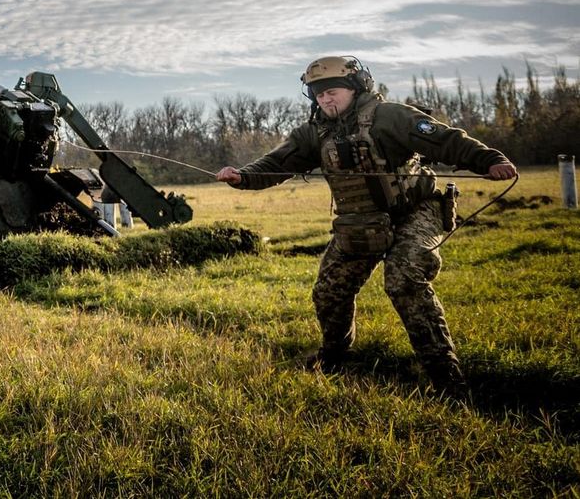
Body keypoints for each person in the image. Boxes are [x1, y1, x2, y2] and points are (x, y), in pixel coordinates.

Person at [215, 56, 517, 392]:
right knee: (329, 292)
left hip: (416, 211)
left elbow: (446, 140)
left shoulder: (390, 116)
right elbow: (277, 163)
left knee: (404, 279)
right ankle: (334, 358)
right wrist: (243, 176)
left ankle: (447, 380)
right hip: (361, 222)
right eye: (318, 95)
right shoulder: (314, 133)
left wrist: (491, 159)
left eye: (332, 92)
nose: (325, 100)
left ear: (355, 87)